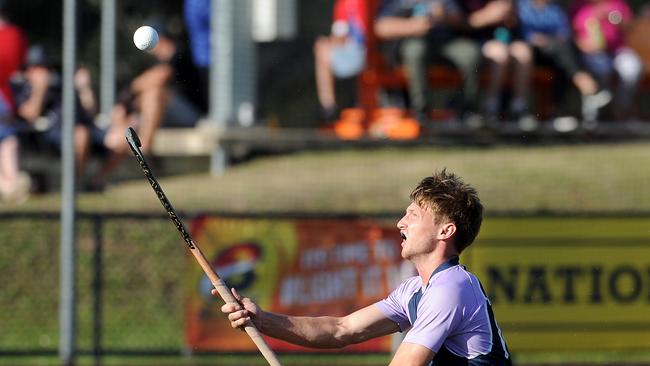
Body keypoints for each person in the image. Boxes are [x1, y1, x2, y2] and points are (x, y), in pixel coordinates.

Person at [220, 170, 512, 365]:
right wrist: (262, 320)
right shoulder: (414, 291)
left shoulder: (452, 288)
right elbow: (340, 329)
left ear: (445, 232)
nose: (401, 223)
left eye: (413, 215)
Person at [93, 27, 203, 189]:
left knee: (154, 93)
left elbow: (159, 77)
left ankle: (146, 149)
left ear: (162, 39)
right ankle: (98, 180)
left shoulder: (179, 54)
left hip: (193, 116)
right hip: (164, 118)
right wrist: (125, 107)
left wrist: (127, 93)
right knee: (126, 125)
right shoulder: (159, 61)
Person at [374, 0, 482, 126]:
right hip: (411, 42)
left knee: (470, 53)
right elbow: (379, 26)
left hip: (445, 42)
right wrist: (411, 26)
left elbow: (463, 20)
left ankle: (469, 111)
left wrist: (445, 16)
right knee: (416, 50)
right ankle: (421, 113)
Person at [12, 45, 106, 186]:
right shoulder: (22, 88)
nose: (44, 72)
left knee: (120, 134)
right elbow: (29, 114)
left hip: (80, 130)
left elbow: (89, 113)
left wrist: (84, 88)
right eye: (37, 68)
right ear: (28, 70)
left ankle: (91, 182)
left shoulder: (60, 88)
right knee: (81, 134)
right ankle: (74, 186)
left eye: (46, 68)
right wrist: (40, 88)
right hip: (46, 137)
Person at [516, 0, 612, 127]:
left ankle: (558, 113)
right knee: (564, 54)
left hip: (554, 53)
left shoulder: (554, 9)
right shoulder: (521, 7)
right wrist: (544, 40)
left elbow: (564, 33)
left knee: (564, 58)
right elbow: (524, 33)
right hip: (531, 53)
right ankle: (586, 85)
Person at [570, 0, 643, 122]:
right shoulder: (579, 5)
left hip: (617, 50)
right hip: (591, 54)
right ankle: (596, 118)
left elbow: (629, 26)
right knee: (600, 69)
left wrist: (615, 19)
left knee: (632, 68)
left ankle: (621, 110)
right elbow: (570, 34)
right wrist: (582, 45)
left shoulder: (616, 3)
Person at [314, 0, 368, 125]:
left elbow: (340, 37)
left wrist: (328, 42)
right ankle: (329, 108)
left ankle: (328, 107)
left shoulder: (350, 3)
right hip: (364, 52)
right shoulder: (344, 4)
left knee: (322, 50)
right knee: (323, 48)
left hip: (364, 54)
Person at [0, 2, 30, 203]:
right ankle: (9, 184)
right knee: (8, 139)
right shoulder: (16, 35)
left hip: (6, 100)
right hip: (7, 102)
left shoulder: (11, 35)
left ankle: (9, 184)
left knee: (8, 138)